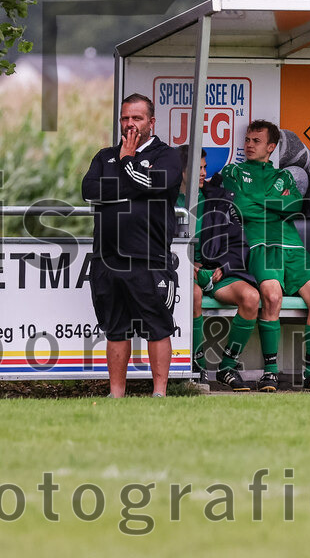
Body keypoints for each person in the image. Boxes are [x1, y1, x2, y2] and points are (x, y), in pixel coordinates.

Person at [216, 120, 310, 391]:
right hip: (262, 245)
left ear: (271, 147)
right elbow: (241, 206)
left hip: (293, 247)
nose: (249, 144)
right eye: (247, 139)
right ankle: (270, 372)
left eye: (256, 141)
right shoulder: (233, 171)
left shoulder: (284, 176)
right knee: (271, 296)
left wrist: (259, 201)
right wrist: (273, 202)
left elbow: (295, 206)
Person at [82, 93, 182, 398]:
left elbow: (154, 184)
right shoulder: (103, 156)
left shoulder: (169, 156)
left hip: (148, 257)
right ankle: (116, 395)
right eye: (125, 118)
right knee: (116, 328)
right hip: (107, 258)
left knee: (157, 326)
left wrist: (127, 162)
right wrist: (132, 183)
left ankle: (160, 394)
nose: (130, 124)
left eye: (137, 118)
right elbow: (89, 191)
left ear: (151, 122)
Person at [176, 145, 260, 391]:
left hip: (216, 272)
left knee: (251, 297)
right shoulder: (166, 201)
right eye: (197, 169)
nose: (203, 173)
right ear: (182, 171)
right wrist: (185, 263)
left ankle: (228, 366)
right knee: (193, 295)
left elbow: (238, 242)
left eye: (204, 168)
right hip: (183, 272)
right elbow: (158, 241)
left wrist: (224, 266)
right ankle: (197, 363)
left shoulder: (220, 199)